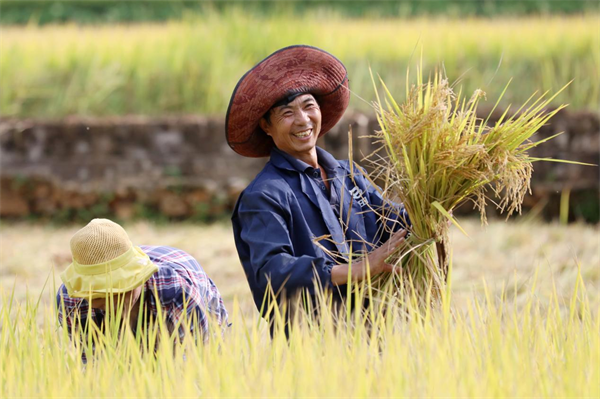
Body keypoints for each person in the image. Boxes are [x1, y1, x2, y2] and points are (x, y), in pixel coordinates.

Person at [226, 45, 410, 327]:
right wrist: (358, 269)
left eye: (308, 106)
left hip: (375, 333)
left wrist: (432, 206)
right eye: (287, 113)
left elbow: (392, 223)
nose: (302, 120)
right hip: (311, 344)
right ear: (266, 126)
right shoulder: (264, 196)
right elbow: (272, 274)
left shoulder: (348, 175)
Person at [56, 218, 229, 359]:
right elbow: (94, 365)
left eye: (118, 291)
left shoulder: (176, 292)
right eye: (97, 295)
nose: (108, 302)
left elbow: (197, 363)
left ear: (139, 278)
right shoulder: (72, 300)